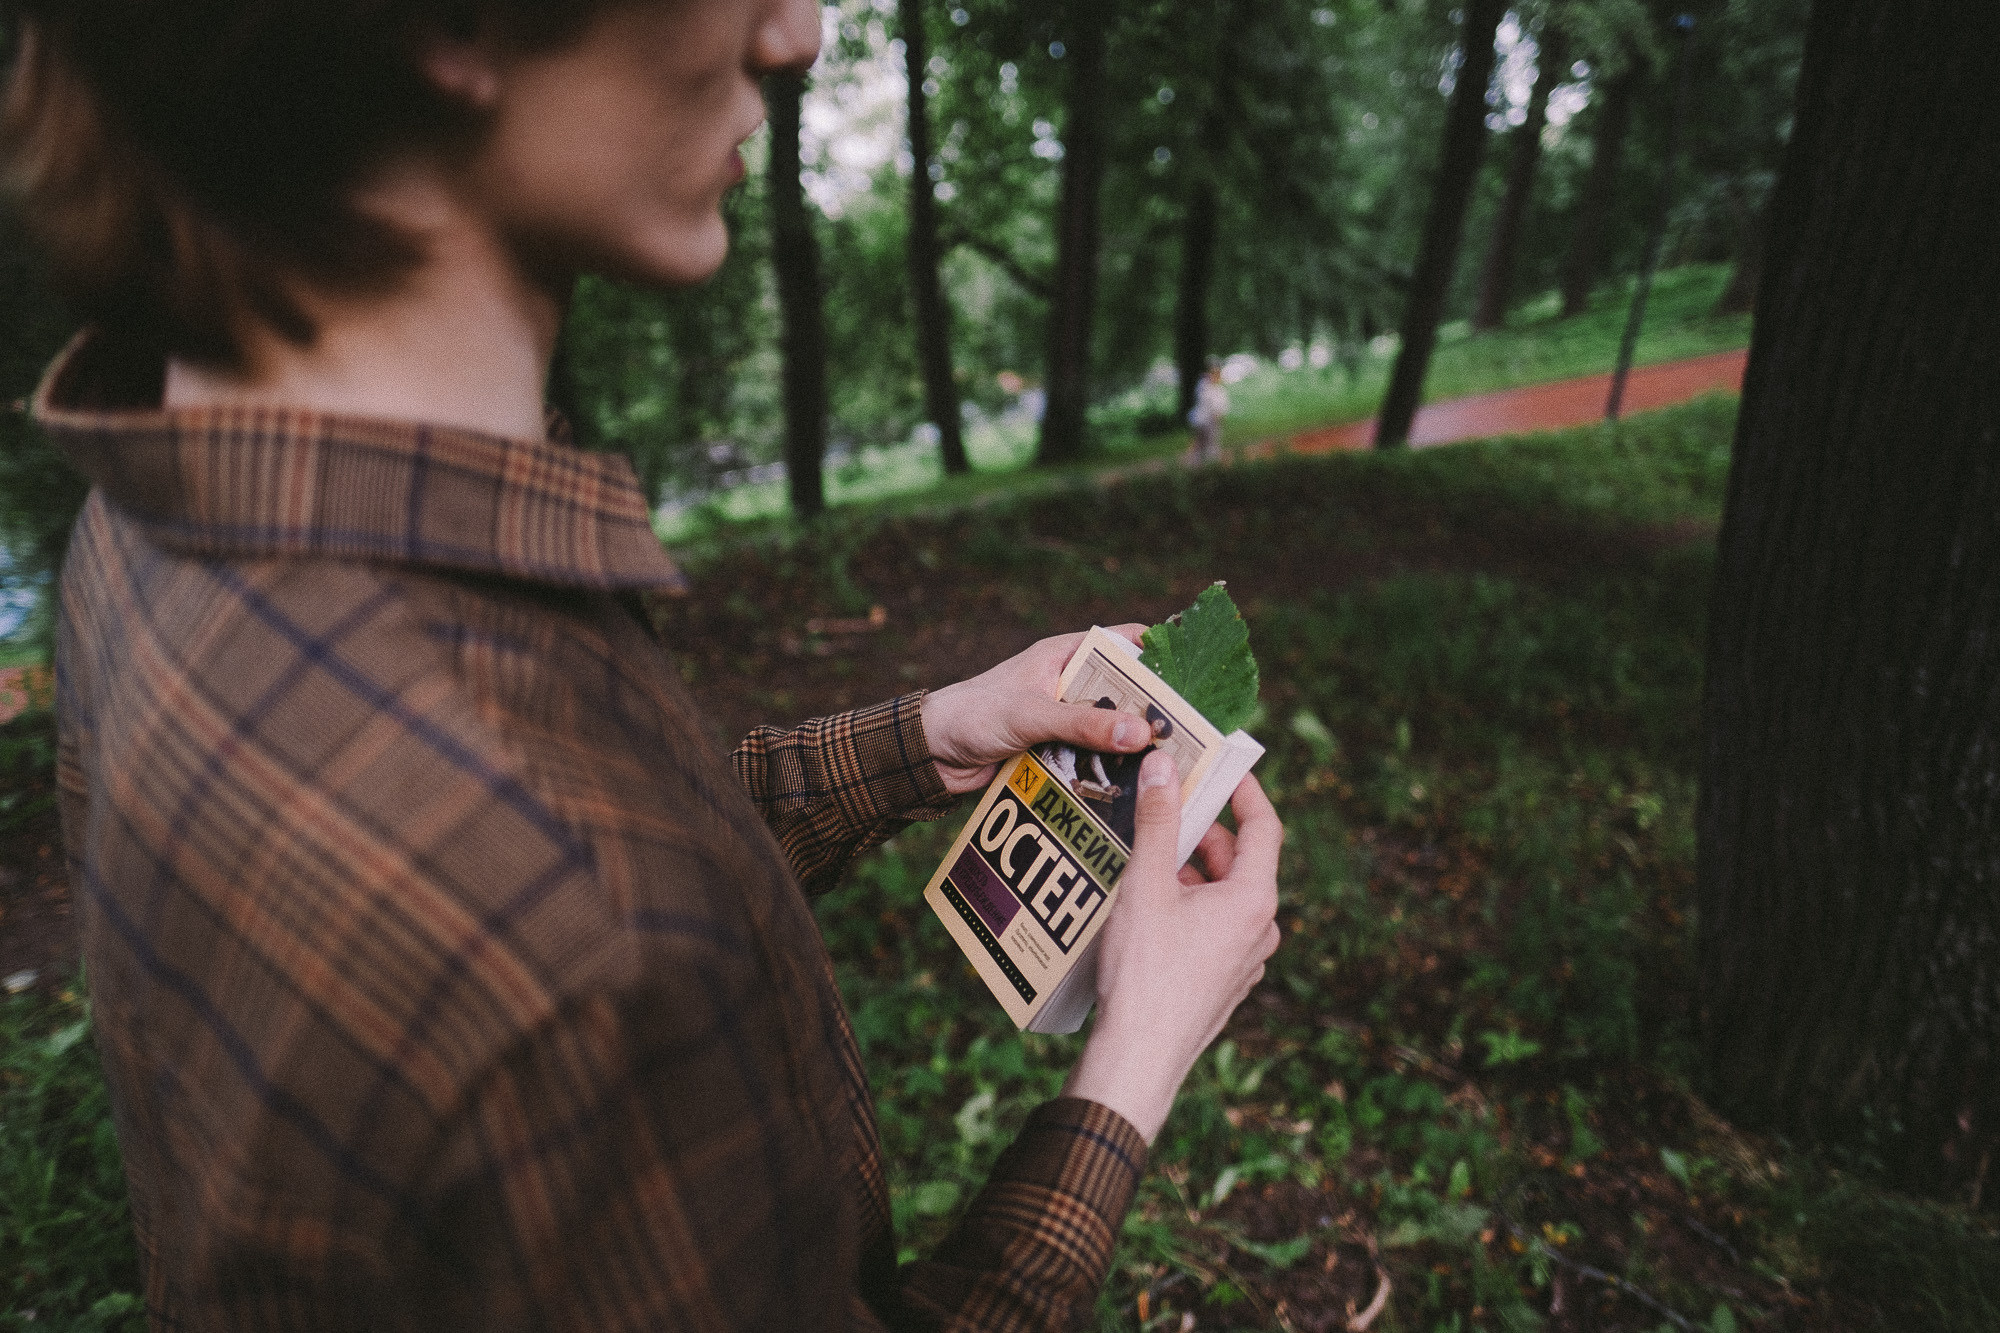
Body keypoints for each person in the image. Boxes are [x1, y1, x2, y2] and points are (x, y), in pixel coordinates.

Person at [1, 1, 1284, 1329]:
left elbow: (573, 849)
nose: (796, 32)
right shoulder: (564, 920)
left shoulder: (149, 520)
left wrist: (928, 736)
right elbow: (572, 912)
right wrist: (1128, 1070)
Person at [1187, 360, 1230, 465]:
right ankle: (1202, 464)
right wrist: (1217, 416)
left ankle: (1204, 463)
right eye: (1214, 373)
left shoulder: (1216, 388)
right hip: (1205, 420)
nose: (1217, 376)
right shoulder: (1205, 386)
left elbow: (1220, 405)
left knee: (1206, 443)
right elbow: (1211, 404)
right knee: (1206, 443)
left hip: (1209, 419)